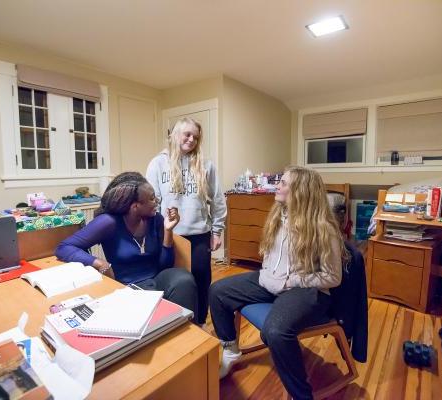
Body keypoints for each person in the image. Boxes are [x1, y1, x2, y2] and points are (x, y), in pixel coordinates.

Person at [209, 166, 344, 400]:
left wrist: (293, 280)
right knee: (218, 291)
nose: (277, 186)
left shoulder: (323, 228)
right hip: (271, 282)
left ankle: (302, 395)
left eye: (282, 183)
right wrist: (269, 275)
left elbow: (333, 277)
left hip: (305, 289)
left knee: (275, 331)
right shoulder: (278, 215)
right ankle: (230, 350)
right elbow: (271, 257)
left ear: (300, 192)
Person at [55, 172, 197, 314]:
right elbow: (64, 247)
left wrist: (168, 231)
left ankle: (190, 331)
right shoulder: (107, 222)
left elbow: (165, 265)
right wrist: (99, 262)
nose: (157, 201)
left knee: (183, 279)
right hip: (127, 287)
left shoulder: (156, 219)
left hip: (156, 280)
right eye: (152, 198)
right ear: (135, 206)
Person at [146, 117, 226, 327]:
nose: (191, 140)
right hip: (170, 235)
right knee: (173, 281)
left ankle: (199, 323)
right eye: (187, 134)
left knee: (201, 281)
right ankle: (172, 323)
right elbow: (151, 201)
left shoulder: (206, 165)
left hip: (199, 233)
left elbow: (217, 199)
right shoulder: (158, 163)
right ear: (175, 135)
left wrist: (217, 231)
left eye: (196, 137)